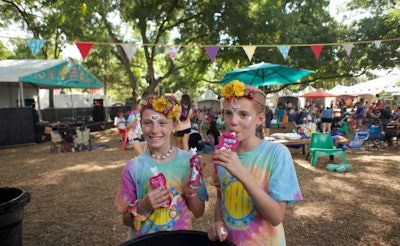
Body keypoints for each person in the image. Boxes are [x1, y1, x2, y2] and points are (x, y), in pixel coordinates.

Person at [207, 80, 303, 245]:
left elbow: (276, 216)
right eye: (228, 113)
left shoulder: (276, 154)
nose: (233, 121)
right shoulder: (222, 154)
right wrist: (218, 222)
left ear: (259, 119)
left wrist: (242, 174)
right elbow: (220, 197)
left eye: (243, 114)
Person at [115, 95, 208, 240]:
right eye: (147, 123)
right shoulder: (133, 168)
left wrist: (191, 193)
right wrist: (142, 207)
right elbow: (126, 220)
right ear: (141, 125)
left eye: (162, 123)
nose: (154, 130)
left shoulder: (189, 162)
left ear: (174, 125)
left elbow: (198, 212)